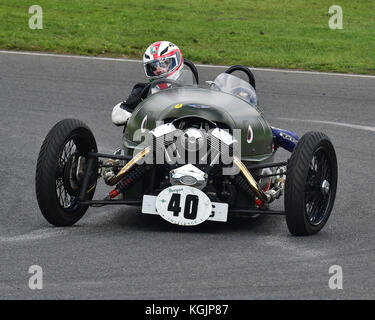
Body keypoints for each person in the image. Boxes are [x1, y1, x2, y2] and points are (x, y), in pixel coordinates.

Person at [111, 41, 184, 126]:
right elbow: (117, 113)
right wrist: (134, 117)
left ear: (176, 61)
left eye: (164, 63)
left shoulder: (188, 88)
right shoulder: (143, 91)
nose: (159, 69)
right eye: (153, 67)